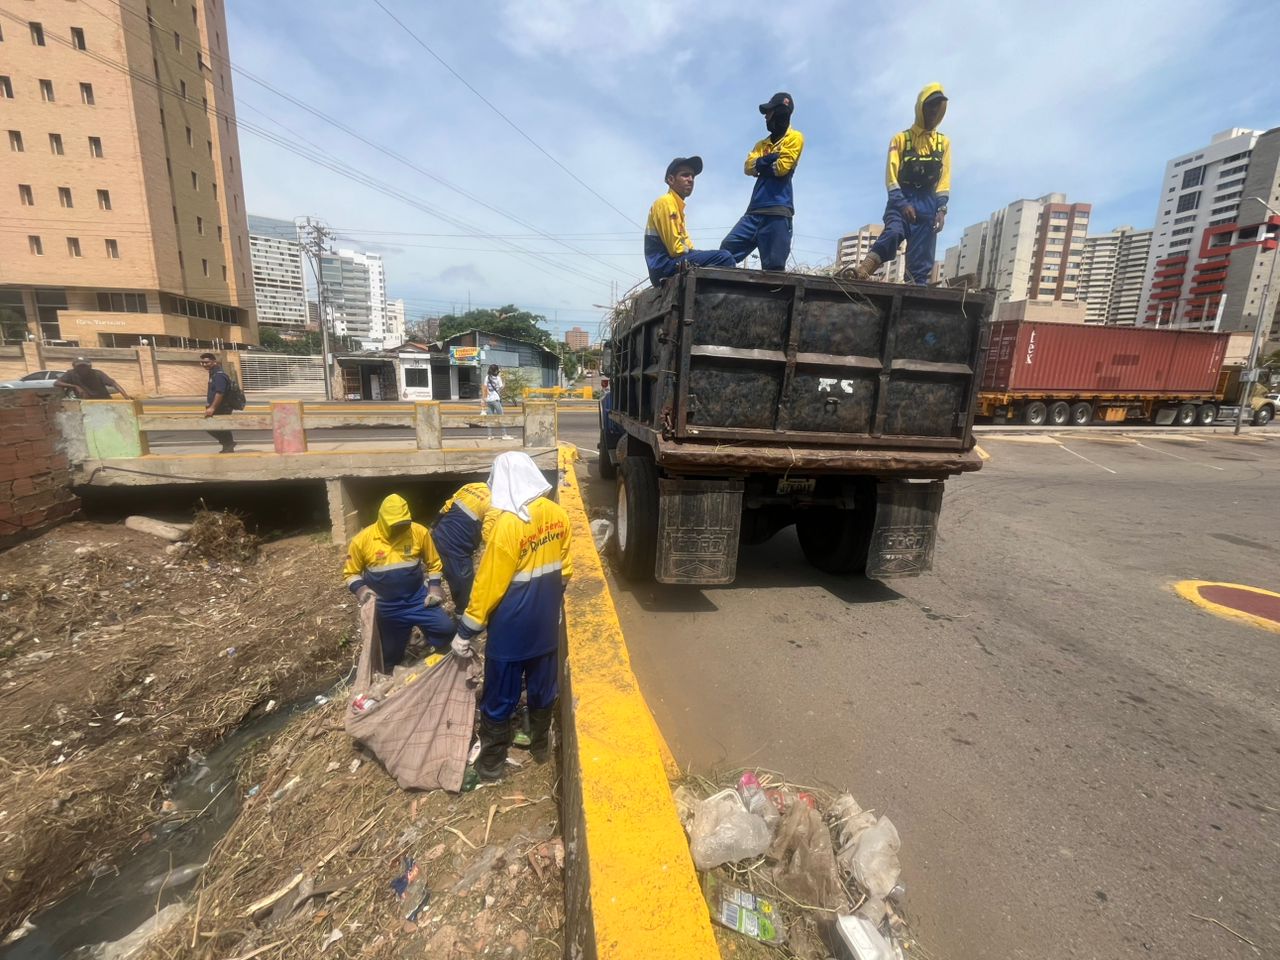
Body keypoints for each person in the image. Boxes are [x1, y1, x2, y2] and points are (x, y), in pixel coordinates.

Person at [450, 452, 573, 780]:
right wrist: (549, 603)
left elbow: (488, 584)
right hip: (544, 623)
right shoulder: (558, 515)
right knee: (542, 686)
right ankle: (540, 747)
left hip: (511, 627)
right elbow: (565, 569)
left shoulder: (508, 524)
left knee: (500, 693)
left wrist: (466, 630)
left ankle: (491, 764)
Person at [851, 84, 951, 285]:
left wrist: (941, 209)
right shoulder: (901, 139)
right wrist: (902, 203)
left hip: (928, 201)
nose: (933, 110)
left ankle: (915, 292)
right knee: (894, 232)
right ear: (920, 107)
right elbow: (891, 175)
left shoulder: (943, 143)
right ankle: (863, 271)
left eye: (938, 106)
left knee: (921, 257)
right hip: (902, 196)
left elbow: (944, 179)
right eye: (930, 105)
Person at [343, 493, 456, 668]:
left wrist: (434, 587)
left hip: (418, 600)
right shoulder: (362, 540)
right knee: (390, 655)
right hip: (387, 607)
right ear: (383, 521)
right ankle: (393, 668)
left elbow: (434, 563)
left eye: (404, 524)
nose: (400, 529)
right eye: (395, 525)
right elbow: (351, 573)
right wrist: (361, 590)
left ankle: (438, 659)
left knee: (446, 629)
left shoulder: (418, 532)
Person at [721, 92, 805, 271]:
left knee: (773, 269)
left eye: (769, 112)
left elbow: (781, 168)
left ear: (780, 112)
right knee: (725, 252)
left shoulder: (795, 137)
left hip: (778, 213)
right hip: (754, 211)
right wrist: (770, 158)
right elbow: (748, 167)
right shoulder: (761, 144)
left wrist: (760, 164)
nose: (766, 117)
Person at [644, 156, 736, 286]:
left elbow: (687, 244)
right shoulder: (666, 202)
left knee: (721, 257)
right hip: (663, 266)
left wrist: (698, 254)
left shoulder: (678, 207)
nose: (691, 180)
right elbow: (676, 250)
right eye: (685, 175)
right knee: (724, 257)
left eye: (692, 176)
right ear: (671, 179)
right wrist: (699, 254)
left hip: (669, 264)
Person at [432, 480, 496, 613]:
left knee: (445, 572)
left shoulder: (473, 486)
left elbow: (445, 507)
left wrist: (433, 527)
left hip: (439, 534)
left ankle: (431, 587)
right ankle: (462, 616)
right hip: (455, 548)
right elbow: (488, 535)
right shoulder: (495, 503)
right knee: (465, 590)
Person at [199, 352, 236, 453]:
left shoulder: (219, 375)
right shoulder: (214, 374)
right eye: (202, 362)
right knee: (222, 427)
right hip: (219, 406)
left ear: (214, 362)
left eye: (207, 362)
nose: (204, 364)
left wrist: (212, 407)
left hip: (221, 407)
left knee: (211, 426)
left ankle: (228, 444)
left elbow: (220, 392)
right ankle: (228, 447)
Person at [57, 358, 131, 400]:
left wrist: (126, 397)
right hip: (85, 401)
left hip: (102, 400)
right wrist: (75, 386)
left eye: (84, 366)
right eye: (79, 367)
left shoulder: (98, 373)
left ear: (90, 367)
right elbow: (57, 383)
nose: (82, 369)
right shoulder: (70, 373)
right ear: (74, 367)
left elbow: (114, 384)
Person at [484, 364, 514, 440]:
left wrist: (484, 399)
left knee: (490, 419)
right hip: (496, 400)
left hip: (489, 400)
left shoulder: (487, 377)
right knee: (501, 417)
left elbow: (485, 388)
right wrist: (504, 382)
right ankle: (504, 435)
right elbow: (501, 388)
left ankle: (489, 436)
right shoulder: (498, 378)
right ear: (496, 370)